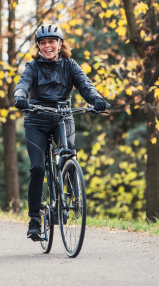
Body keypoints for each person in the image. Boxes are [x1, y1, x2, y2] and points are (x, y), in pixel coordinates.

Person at [13, 25, 109, 241]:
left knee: (68, 153)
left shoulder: (70, 65)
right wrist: (20, 97)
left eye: (52, 41)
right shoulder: (32, 67)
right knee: (37, 168)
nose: (48, 46)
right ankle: (34, 220)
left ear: (59, 44)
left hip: (63, 117)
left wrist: (97, 100)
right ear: (38, 46)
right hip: (36, 119)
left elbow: (86, 85)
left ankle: (69, 195)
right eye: (43, 43)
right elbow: (23, 84)